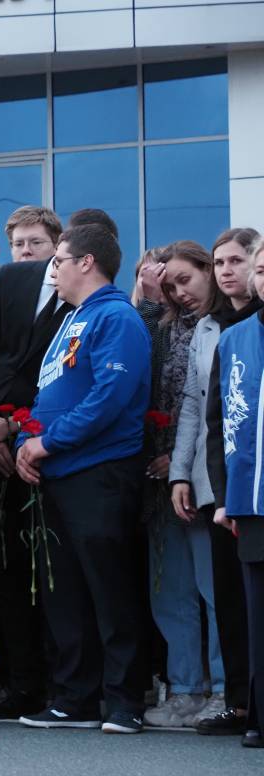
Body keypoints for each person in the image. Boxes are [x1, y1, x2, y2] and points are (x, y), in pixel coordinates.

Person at [15, 224, 152, 734]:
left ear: (87, 262)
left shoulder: (117, 316)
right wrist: (24, 444)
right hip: (59, 475)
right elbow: (47, 396)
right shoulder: (72, 320)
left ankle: (123, 702)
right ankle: (75, 699)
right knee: (66, 592)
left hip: (100, 474)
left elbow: (109, 397)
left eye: (59, 260)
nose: (53, 270)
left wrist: (46, 443)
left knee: (110, 590)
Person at [0, 221, 76, 720]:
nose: (28, 252)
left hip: (44, 446)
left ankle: (61, 680)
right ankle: (16, 678)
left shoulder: (83, 293)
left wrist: (14, 427)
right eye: (20, 244)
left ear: (62, 248)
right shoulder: (9, 282)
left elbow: (72, 375)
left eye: (39, 244)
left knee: (53, 572)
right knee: (2, 571)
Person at [140, 241, 226, 728]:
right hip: (160, 478)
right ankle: (186, 688)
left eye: (185, 279)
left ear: (208, 271)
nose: (178, 292)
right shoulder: (165, 327)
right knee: (168, 590)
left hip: (200, 472)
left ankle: (220, 687)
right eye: (169, 285)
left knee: (211, 589)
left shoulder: (224, 326)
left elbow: (203, 409)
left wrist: (182, 459)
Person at [181, 228, 263, 737]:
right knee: (231, 601)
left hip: (256, 483)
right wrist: (182, 475)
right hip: (224, 483)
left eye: (237, 260)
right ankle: (238, 702)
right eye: (220, 261)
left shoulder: (254, 326)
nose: (228, 270)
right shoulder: (210, 328)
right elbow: (202, 408)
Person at [206, 240, 264, 749]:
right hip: (248, 495)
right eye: (261, 270)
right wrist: (223, 494)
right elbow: (217, 421)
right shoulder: (231, 336)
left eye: (241, 263)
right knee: (246, 605)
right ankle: (252, 709)